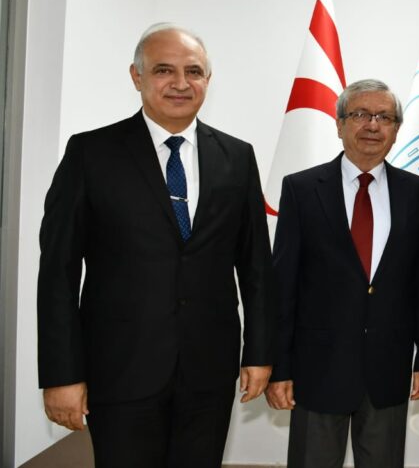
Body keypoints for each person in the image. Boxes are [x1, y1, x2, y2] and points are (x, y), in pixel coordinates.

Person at [37, 23, 275, 467]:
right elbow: (57, 274)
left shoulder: (238, 157)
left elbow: (256, 267)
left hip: (209, 370)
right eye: (164, 70)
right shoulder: (91, 153)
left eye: (194, 71)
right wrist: (62, 374)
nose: (181, 83)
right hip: (119, 371)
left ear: (208, 79)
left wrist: (260, 353)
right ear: (137, 76)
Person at [266, 79, 419, 468]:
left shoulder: (416, 192)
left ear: (396, 128)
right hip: (317, 370)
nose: (373, 125)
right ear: (339, 123)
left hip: (388, 368)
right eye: (361, 114)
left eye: (385, 117)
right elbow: (284, 286)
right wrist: (280, 367)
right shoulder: (302, 189)